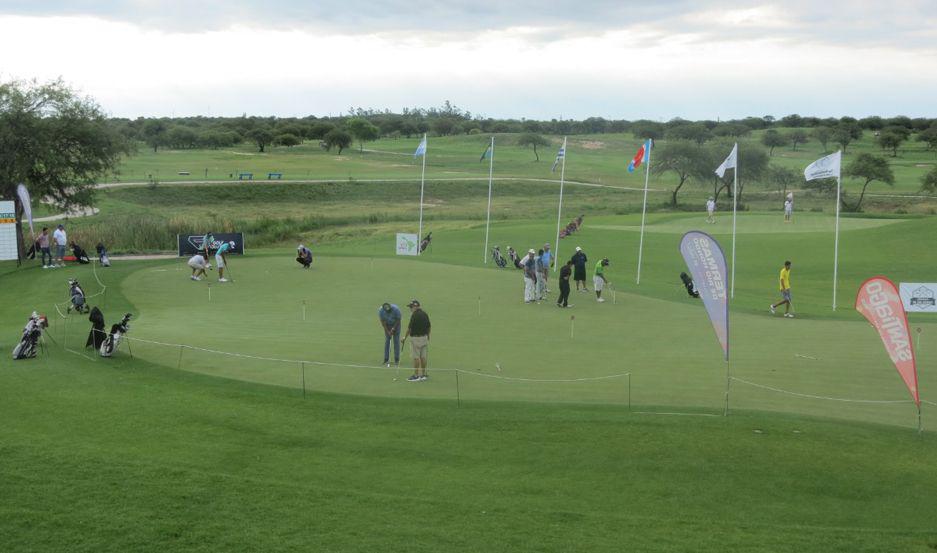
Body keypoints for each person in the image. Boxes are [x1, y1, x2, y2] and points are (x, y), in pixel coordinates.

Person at [401, 300, 430, 382]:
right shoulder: (425, 314)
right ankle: (424, 375)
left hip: (416, 339)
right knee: (423, 357)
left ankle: (416, 375)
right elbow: (429, 326)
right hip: (424, 337)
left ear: (415, 307)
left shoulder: (414, 315)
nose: (410, 309)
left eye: (411, 307)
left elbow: (409, 329)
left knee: (416, 357)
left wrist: (404, 338)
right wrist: (428, 336)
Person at [378, 302, 402, 367]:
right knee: (387, 341)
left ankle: (397, 359)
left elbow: (398, 319)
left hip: (396, 325)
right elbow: (383, 322)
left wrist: (393, 328)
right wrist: (387, 331)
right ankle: (386, 359)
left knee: (396, 341)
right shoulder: (381, 311)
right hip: (387, 325)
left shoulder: (396, 309)